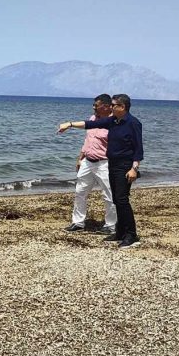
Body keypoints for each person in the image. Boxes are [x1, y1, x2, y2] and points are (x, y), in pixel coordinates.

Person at [57, 94, 144, 248]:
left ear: (122, 107)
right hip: (113, 165)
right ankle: (119, 232)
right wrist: (69, 124)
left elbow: (138, 149)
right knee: (117, 199)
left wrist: (134, 168)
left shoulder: (133, 123)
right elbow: (89, 125)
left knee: (121, 200)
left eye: (114, 105)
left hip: (125, 166)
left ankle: (131, 235)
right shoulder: (113, 121)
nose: (111, 107)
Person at [63, 94, 117, 234]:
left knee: (109, 195)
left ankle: (111, 225)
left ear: (105, 107)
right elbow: (88, 140)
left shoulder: (114, 122)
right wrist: (80, 158)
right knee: (80, 192)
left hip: (104, 163)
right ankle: (78, 222)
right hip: (88, 162)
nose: (93, 107)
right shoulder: (93, 118)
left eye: (96, 105)